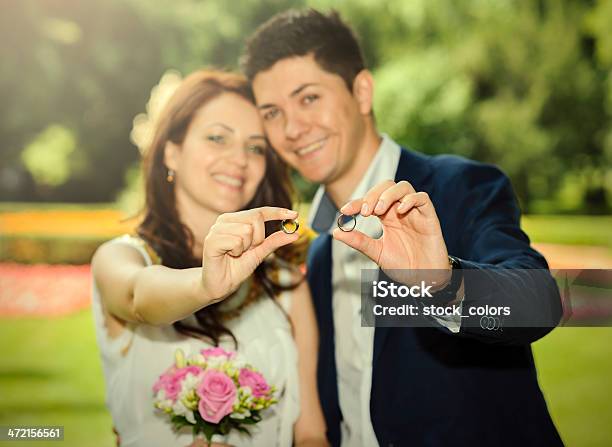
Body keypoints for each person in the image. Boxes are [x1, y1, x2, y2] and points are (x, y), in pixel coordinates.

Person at [242, 9, 564, 447]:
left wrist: (441, 282)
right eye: (272, 113)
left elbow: (537, 305)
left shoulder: (460, 187)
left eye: (309, 98)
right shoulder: (317, 255)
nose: (293, 128)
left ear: (361, 91)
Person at [91, 70, 328, 447]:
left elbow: (311, 434)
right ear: (172, 150)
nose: (239, 160)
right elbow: (138, 298)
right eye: (217, 138)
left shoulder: (286, 285)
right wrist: (205, 283)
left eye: (255, 147)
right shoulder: (120, 257)